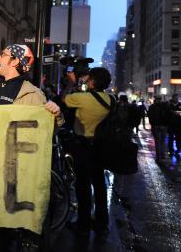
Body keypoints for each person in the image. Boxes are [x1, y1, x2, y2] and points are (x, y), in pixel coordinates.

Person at [0, 44, 61, 251]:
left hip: (9, 170)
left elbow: (43, 133)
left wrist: (55, 115)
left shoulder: (32, 94)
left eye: (3, 55)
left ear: (15, 62)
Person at [62, 67, 112, 243]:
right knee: (99, 186)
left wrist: (72, 82)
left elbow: (63, 99)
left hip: (83, 147)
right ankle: (102, 224)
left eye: (89, 79)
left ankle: (83, 225)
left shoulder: (82, 99)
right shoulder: (110, 99)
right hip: (101, 148)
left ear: (92, 81)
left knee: (82, 187)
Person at [147, 95, 171, 163]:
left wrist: (152, 123)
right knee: (162, 141)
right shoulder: (165, 106)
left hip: (156, 126)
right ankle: (162, 155)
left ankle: (159, 157)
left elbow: (150, 116)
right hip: (163, 126)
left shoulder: (152, 107)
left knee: (158, 142)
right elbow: (169, 115)